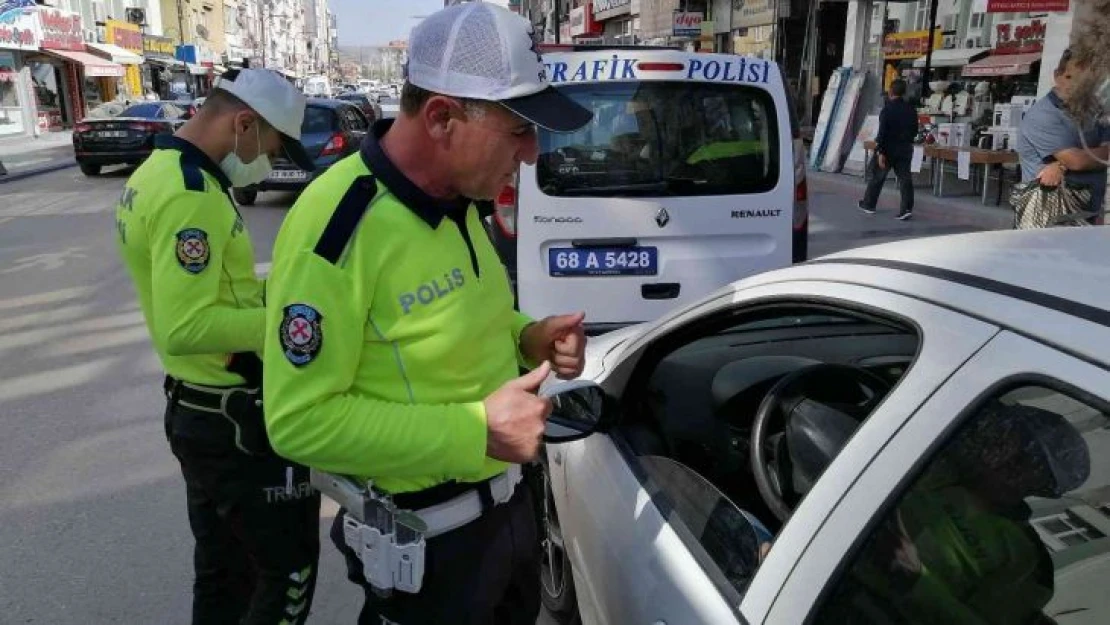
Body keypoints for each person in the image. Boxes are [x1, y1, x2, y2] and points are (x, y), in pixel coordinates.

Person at [261, 3, 593, 624]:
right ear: (442, 118)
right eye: (519, 128)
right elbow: (298, 422)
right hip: (431, 555)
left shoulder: (460, 198)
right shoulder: (337, 224)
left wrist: (528, 338)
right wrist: (476, 432)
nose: (531, 153)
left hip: (511, 517)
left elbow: (451, 326)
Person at [114, 68, 322, 624]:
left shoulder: (158, 173)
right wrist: (291, 320)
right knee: (289, 571)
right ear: (244, 123)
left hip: (197, 408)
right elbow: (188, 324)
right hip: (233, 422)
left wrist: (269, 290)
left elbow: (208, 293)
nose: (269, 160)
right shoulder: (191, 196)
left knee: (225, 573)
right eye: (272, 145)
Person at [1017, 48, 1110, 220]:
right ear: (1057, 75)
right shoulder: (1044, 114)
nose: (1075, 85)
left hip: (1089, 211)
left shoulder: (1094, 110)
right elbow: (1077, 161)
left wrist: (1061, 164)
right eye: (1069, 77)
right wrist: (1067, 162)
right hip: (1047, 215)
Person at [859, 78, 918, 220]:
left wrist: (880, 151)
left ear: (891, 91)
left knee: (878, 176)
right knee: (905, 179)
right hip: (905, 148)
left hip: (888, 149)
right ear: (904, 93)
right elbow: (915, 131)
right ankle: (906, 209)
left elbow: (882, 134)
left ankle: (869, 204)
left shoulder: (887, 110)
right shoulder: (911, 110)